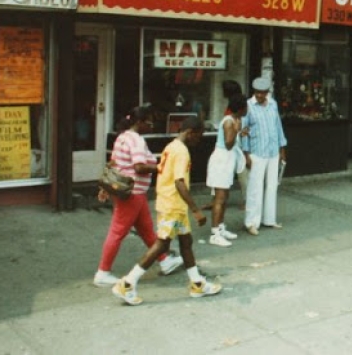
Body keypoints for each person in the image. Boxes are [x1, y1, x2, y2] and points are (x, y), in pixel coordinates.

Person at [112, 116, 222, 305]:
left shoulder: (170, 146)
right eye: (199, 135)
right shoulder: (181, 152)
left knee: (186, 242)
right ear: (190, 133)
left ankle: (197, 283)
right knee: (162, 245)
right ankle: (128, 282)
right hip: (173, 205)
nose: (200, 139)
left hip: (172, 204)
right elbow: (179, 182)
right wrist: (196, 209)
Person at [93, 106, 183, 287]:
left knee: (146, 230)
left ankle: (165, 260)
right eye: (149, 122)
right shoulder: (136, 141)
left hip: (130, 192)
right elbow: (139, 167)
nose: (151, 126)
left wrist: (106, 187)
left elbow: (114, 162)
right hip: (133, 192)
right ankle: (103, 272)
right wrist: (161, 168)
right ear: (139, 122)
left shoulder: (122, 137)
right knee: (117, 232)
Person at [241, 77, 287, 235]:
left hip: (273, 150)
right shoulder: (248, 106)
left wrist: (282, 148)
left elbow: (278, 126)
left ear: (267, 92)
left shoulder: (273, 104)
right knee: (255, 187)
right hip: (256, 152)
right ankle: (251, 222)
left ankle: (269, 219)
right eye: (257, 93)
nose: (260, 96)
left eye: (263, 93)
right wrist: (246, 154)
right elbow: (244, 131)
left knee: (272, 185)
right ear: (254, 92)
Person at [206, 93, 248, 247]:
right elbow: (229, 143)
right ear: (242, 108)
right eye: (246, 106)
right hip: (221, 162)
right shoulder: (229, 122)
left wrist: (240, 132)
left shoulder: (235, 120)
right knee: (220, 198)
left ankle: (221, 227)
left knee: (224, 197)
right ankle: (215, 233)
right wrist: (237, 130)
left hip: (227, 162)